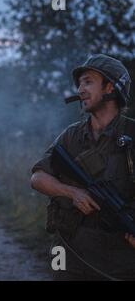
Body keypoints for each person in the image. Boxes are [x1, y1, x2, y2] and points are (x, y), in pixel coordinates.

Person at [30, 54, 135, 280]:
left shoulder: (131, 135)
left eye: (88, 82)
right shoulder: (71, 136)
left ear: (110, 88)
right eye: (79, 84)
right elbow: (37, 178)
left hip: (119, 260)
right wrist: (72, 192)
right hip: (68, 251)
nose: (80, 90)